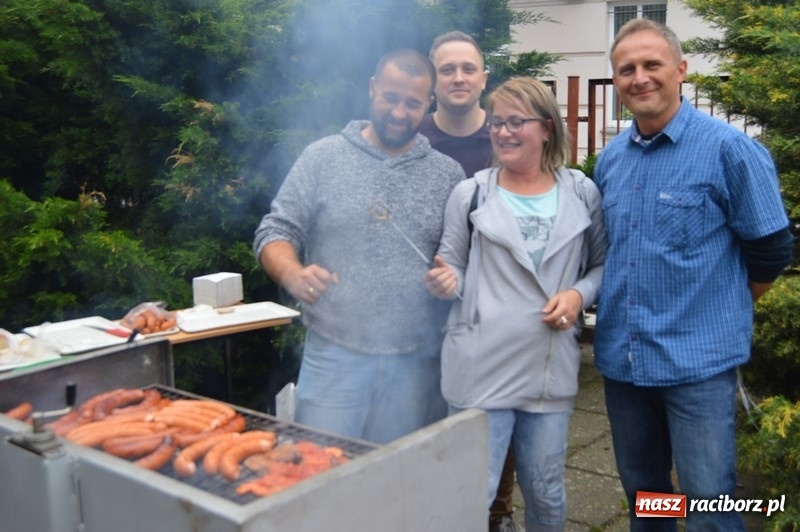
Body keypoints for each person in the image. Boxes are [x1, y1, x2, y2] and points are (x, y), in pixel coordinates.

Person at [594, 19, 794, 531]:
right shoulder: (611, 159)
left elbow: (771, 249)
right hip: (625, 361)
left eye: (652, 65)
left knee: (708, 503)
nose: (640, 78)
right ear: (616, 81)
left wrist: (722, 306)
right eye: (626, 69)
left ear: (681, 70)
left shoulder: (729, 151)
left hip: (698, 366)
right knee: (646, 496)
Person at [253, 49, 466, 444]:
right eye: (390, 98)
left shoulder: (447, 174)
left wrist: (450, 278)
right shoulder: (323, 157)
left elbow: (461, 261)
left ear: (428, 104)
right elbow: (274, 231)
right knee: (319, 473)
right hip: (334, 356)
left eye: (412, 103)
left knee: (392, 482)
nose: (399, 112)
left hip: (413, 361)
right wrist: (293, 273)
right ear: (372, 89)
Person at [424, 77, 607, 531]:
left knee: (546, 493)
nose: (503, 132)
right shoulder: (473, 193)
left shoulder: (581, 192)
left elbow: (603, 267)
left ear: (546, 128)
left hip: (547, 370)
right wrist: (447, 281)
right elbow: (455, 266)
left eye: (515, 122)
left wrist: (578, 294)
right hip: (480, 367)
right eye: (498, 122)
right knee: (471, 493)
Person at [423, 30, 517, 532]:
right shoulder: (412, 140)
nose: (458, 77)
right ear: (433, 80)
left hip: (498, 313)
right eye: (446, 69)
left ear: (485, 76)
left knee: (495, 421)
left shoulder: (509, 136)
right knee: (431, 424)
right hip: (425, 314)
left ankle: (498, 515)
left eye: (468, 68)